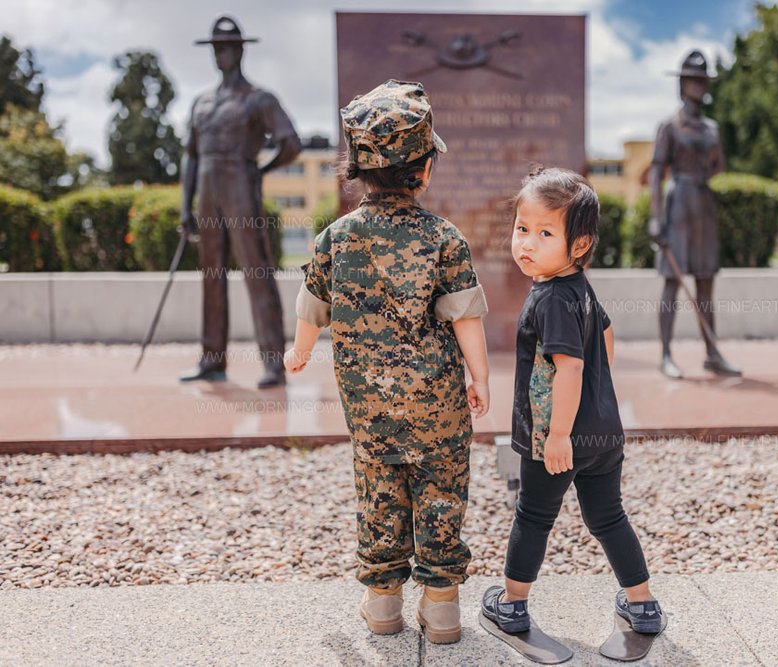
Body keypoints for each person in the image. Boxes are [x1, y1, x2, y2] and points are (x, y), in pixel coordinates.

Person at [284, 80, 490, 645]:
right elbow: (466, 317)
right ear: (422, 169)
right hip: (438, 404)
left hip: (368, 407)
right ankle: (443, 608)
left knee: (378, 491)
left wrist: (299, 353)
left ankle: (382, 606)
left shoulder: (335, 238)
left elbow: (312, 307)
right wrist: (481, 377)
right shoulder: (442, 237)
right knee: (442, 491)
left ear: (358, 169)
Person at [480, 167, 663, 635]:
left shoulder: (549, 300)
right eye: (522, 229)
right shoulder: (578, 288)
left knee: (534, 516)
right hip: (603, 433)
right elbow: (605, 332)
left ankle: (513, 604)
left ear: (578, 245)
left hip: (554, 438)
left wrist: (559, 433)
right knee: (608, 515)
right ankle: (641, 604)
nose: (527, 243)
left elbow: (571, 366)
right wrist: (599, 397)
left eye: (544, 233)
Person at [178, 15, 302, 389]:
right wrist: (186, 206)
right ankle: (211, 359)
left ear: (241, 50)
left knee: (257, 273)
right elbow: (191, 155)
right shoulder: (201, 102)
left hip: (242, 190)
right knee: (211, 278)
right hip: (208, 193)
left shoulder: (259, 99)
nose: (221, 54)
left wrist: (260, 171)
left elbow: (291, 143)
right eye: (216, 47)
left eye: (227, 47)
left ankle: (273, 364)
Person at [649, 49, 741, 379]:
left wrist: (701, 179)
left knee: (705, 283)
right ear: (683, 84)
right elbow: (656, 173)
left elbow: (718, 165)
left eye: (703, 80)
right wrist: (655, 217)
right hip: (677, 206)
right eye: (694, 80)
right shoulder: (669, 126)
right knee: (673, 283)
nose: (700, 86)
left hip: (703, 205)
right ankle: (666, 354)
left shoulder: (711, 128)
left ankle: (712, 353)